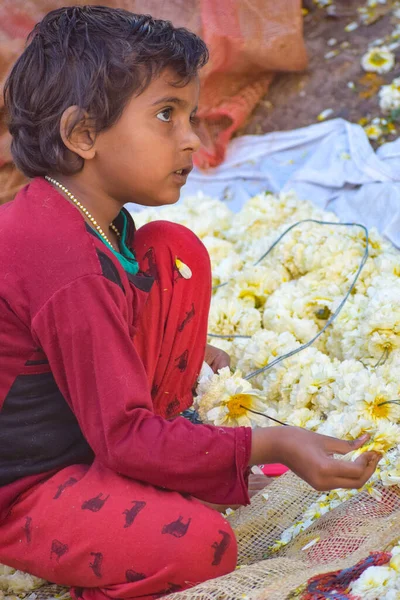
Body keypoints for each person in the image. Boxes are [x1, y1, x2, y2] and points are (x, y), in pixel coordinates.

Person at [0, 6, 381, 600]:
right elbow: (120, 434)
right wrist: (275, 443)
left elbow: (96, 340)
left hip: (91, 434)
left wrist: (191, 350)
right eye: (165, 115)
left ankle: (168, 448)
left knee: (172, 251)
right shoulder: (62, 259)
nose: (192, 139)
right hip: (24, 488)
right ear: (82, 135)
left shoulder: (84, 217)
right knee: (204, 546)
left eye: (190, 115)